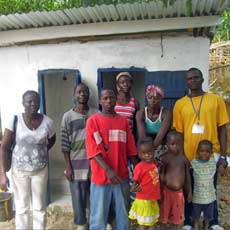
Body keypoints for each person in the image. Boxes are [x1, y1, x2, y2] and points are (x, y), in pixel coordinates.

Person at [173, 67, 229, 230]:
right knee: (190, 189)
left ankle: (213, 221)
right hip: (189, 155)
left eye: (196, 77)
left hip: (211, 155)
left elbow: (223, 128)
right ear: (186, 81)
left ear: (203, 79)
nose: (193, 81)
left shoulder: (216, 100)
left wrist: (224, 156)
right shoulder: (180, 104)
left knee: (210, 188)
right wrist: (181, 156)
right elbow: (178, 133)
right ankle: (189, 222)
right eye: (189, 78)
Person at [0, 90, 56, 230]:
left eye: (36, 101)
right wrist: (2, 174)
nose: (33, 104)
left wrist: (39, 153)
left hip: (40, 170)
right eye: (29, 101)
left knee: (39, 207)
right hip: (19, 172)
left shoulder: (48, 122)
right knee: (22, 207)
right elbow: (4, 147)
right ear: (23, 103)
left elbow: (52, 139)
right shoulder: (14, 120)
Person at [85, 88, 138, 230]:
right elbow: (93, 150)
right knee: (99, 214)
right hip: (101, 176)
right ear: (100, 101)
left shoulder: (123, 121)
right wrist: (108, 169)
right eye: (105, 98)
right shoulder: (92, 121)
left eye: (111, 98)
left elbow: (131, 149)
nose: (109, 101)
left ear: (116, 100)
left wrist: (139, 171)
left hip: (121, 176)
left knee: (122, 212)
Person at [61, 83, 97, 230]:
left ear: (89, 94)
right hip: (76, 164)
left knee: (95, 195)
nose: (82, 94)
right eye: (79, 92)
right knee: (78, 196)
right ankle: (81, 223)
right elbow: (64, 143)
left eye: (85, 91)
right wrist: (68, 166)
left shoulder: (96, 114)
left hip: (95, 163)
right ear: (74, 94)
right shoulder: (68, 116)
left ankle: (95, 222)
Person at [159, 131, 192, 230]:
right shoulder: (165, 159)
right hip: (166, 192)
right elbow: (161, 176)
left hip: (179, 194)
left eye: (178, 144)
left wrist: (189, 192)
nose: (175, 147)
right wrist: (159, 192)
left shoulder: (184, 159)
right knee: (164, 215)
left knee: (177, 216)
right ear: (167, 145)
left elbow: (187, 177)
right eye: (172, 144)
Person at [128, 136, 160, 230]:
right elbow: (136, 181)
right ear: (139, 154)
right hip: (144, 200)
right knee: (143, 224)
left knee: (152, 223)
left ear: (154, 152)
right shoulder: (140, 167)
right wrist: (133, 188)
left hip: (152, 199)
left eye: (150, 153)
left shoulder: (154, 163)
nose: (147, 156)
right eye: (144, 154)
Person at [136, 84, 171, 153]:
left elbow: (160, 137)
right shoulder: (141, 113)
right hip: (146, 144)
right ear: (146, 98)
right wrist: (147, 152)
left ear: (161, 99)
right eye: (150, 97)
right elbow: (142, 136)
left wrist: (152, 151)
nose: (153, 100)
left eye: (156, 98)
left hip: (160, 144)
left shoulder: (166, 113)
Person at [191, 140, 218, 230]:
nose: (204, 153)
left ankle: (206, 226)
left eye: (207, 152)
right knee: (196, 214)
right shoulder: (193, 163)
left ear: (211, 153)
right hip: (197, 196)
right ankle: (196, 226)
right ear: (198, 151)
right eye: (202, 151)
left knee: (208, 215)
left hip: (209, 196)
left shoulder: (213, 163)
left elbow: (220, 172)